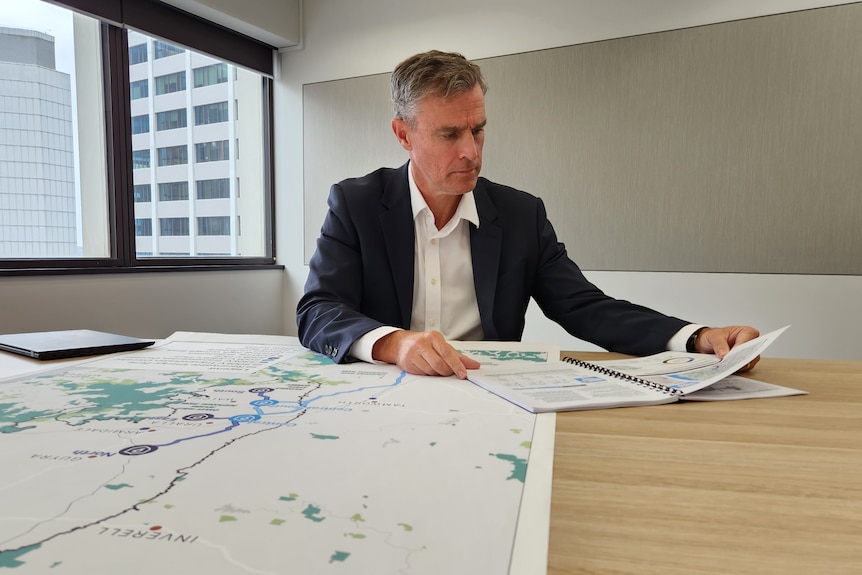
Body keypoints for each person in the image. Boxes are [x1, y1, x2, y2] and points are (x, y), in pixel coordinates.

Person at [297, 50, 760, 379]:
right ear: (404, 134)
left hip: (489, 394)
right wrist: (394, 343)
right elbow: (318, 311)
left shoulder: (521, 214)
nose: (470, 152)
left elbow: (585, 308)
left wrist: (697, 337)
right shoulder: (356, 204)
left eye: (478, 130)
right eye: (449, 134)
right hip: (381, 395)